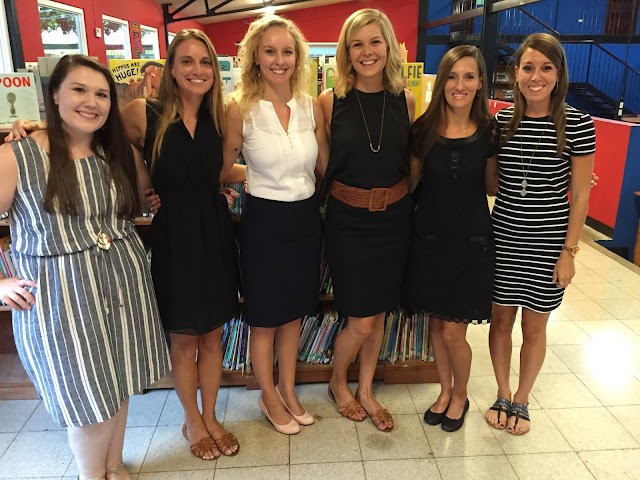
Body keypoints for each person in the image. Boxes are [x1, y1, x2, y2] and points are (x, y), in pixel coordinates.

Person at [0, 54, 171, 480]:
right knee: (87, 400)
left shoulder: (116, 153)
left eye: (101, 94)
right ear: (54, 94)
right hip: (62, 298)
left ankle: (113, 464)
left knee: (120, 381)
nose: (91, 102)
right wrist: (0, 282)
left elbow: (147, 196)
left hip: (123, 283)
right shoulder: (16, 156)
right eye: (78, 90)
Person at [119, 29, 244, 458]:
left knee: (213, 336)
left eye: (205, 62)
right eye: (187, 61)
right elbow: (103, 138)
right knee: (184, 339)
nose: (197, 70)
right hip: (174, 235)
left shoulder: (222, 116)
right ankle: (191, 420)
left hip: (215, 230)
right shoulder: (143, 112)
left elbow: (222, 171)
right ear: (170, 68)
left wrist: (233, 188)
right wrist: (143, 183)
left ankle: (210, 415)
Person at [223, 14, 328, 435]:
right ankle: (267, 395)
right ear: (255, 57)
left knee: (294, 312)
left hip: (305, 218)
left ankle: (288, 389)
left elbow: (322, 165)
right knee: (265, 315)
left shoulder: (309, 106)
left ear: (298, 58)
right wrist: (249, 174)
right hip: (264, 221)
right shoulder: (240, 108)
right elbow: (222, 167)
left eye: (287, 52)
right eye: (270, 51)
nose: (279, 60)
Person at [485, 33, 595, 435]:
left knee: (534, 328)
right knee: (500, 321)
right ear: (516, 73)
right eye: (528, 67)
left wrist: (569, 252)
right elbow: (491, 185)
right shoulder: (501, 122)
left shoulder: (578, 124)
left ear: (558, 73)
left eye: (546, 68)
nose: (536, 77)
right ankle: (502, 391)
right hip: (504, 238)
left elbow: (580, 195)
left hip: (549, 245)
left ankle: (522, 397)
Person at [318, 8, 415, 432]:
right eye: (356, 44)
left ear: (389, 47)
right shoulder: (329, 101)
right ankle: (337, 381)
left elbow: (411, 163)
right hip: (348, 222)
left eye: (375, 41)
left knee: (378, 314)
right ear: (346, 52)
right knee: (359, 319)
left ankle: (366, 389)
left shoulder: (405, 100)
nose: (366, 51)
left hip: (394, 221)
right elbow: (322, 165)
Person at [406, 45, 498, 433]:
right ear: (442, 81)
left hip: (470, 244)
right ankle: (444, 391)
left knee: (453, 332)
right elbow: (410, 185)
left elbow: (493, 186)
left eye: (469, 76)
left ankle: (460, 394)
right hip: (428, 241)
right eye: (453, 76)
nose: (460, 85)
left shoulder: (491, 132)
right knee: (435, 326)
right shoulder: (422, 131)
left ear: (480, 83)